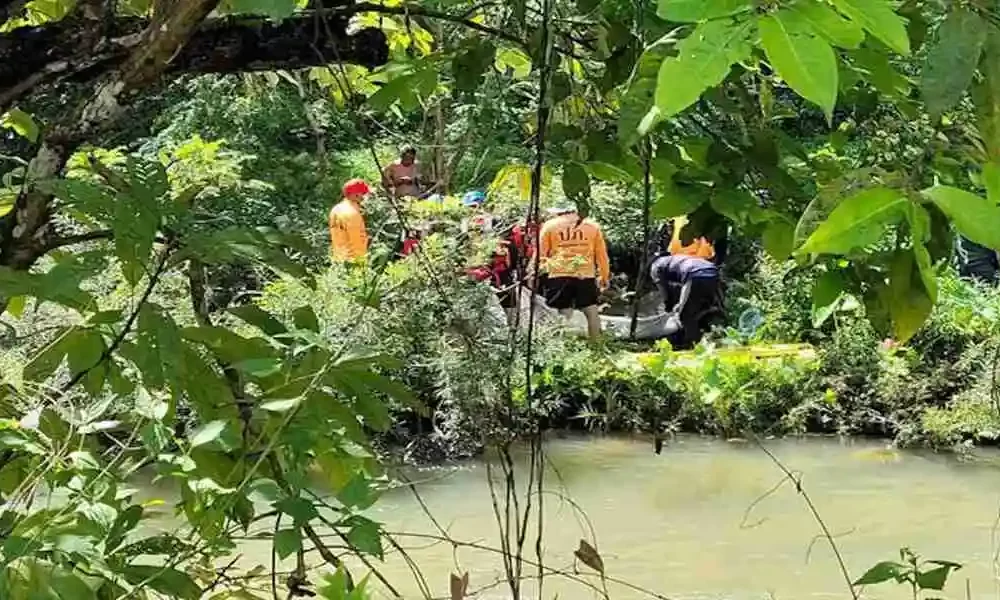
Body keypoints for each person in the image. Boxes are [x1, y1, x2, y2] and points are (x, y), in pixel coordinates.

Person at [537, 207, 611, 341]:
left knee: (564, 310)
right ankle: (597, 344)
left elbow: (541, 254)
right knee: (590, 309)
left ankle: (566, 345)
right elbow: (601, 254)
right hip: (585, 274)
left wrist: (537, 272)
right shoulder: (592, 226)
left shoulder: (550, 226)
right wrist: (604, 276)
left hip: (559, 273)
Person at [649, 253, 723, 348]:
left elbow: (663, 290)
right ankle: (709, 334)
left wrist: (670, 305)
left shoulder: (655, 267)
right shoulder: (673, 259)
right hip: (713, 272)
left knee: (685, 314)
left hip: (695, 275)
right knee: (700, 309)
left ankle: (691, 343)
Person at [329, 178, 370, 262]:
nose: (366, 197)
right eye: (364, 194)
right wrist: (361, 263)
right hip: (351, 261)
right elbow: (357, 242)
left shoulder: (336, 209)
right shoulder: (353, 213)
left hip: (338, 259)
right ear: (356, 195)